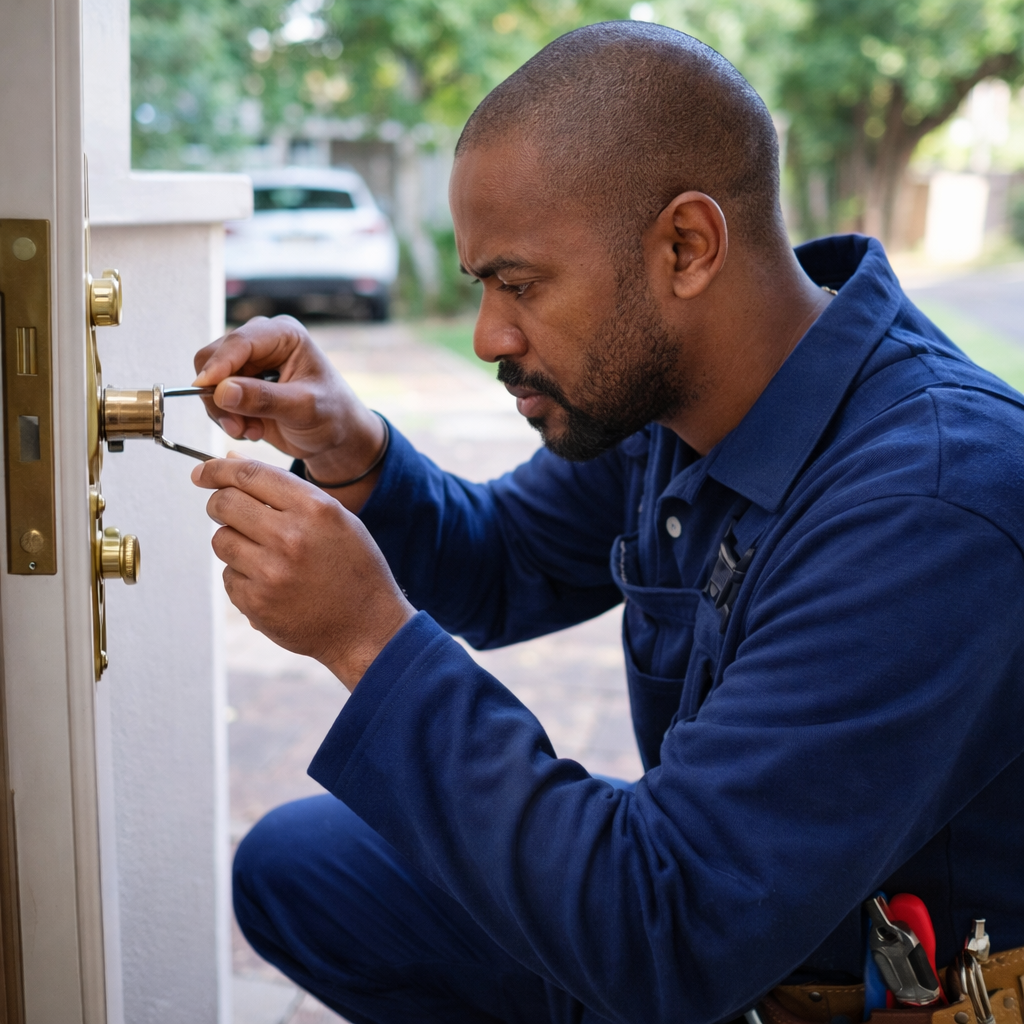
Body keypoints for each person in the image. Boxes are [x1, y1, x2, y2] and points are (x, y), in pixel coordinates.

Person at [191, 22, 1024, 1024]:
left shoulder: (928, 505)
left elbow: (672, 925)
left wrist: (366, 639)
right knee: (302, 867)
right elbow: (504, 563)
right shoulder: (679, 397)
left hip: (822, 982)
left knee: (627, 934)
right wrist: (353, 450)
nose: (490, 335)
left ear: (685, 246)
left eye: (519, 282)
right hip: (714, 949)